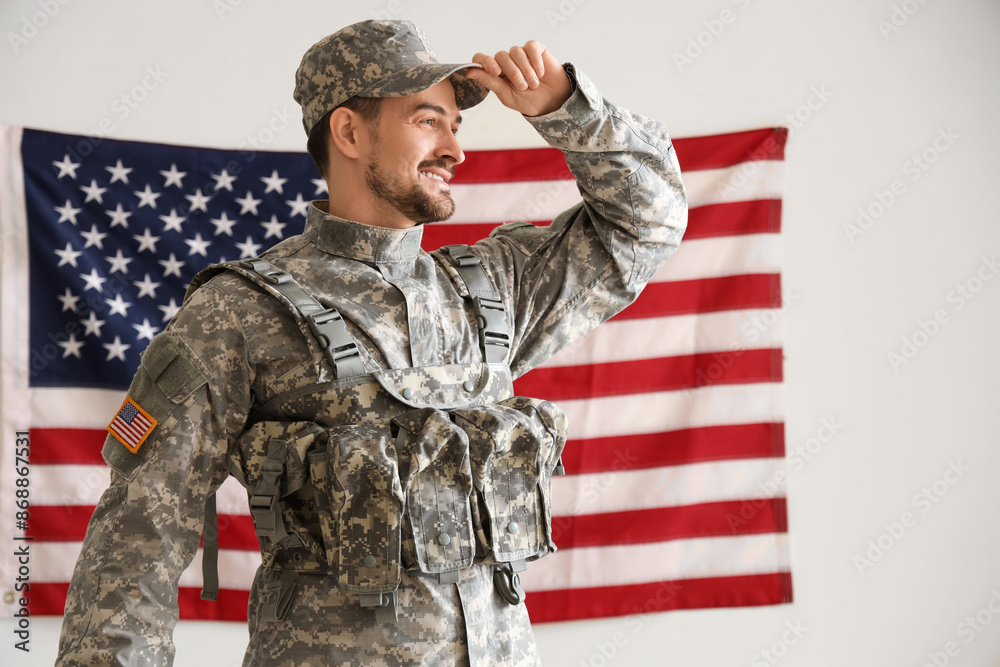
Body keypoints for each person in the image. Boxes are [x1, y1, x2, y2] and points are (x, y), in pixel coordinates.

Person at [55, 18, 687, 667]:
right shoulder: (238, 312)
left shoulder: (493, 292)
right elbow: (137, 540)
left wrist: (568, 110)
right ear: (349, 131)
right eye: (427, 120)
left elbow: (648, 223)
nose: (454, 150)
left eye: (455, 125)